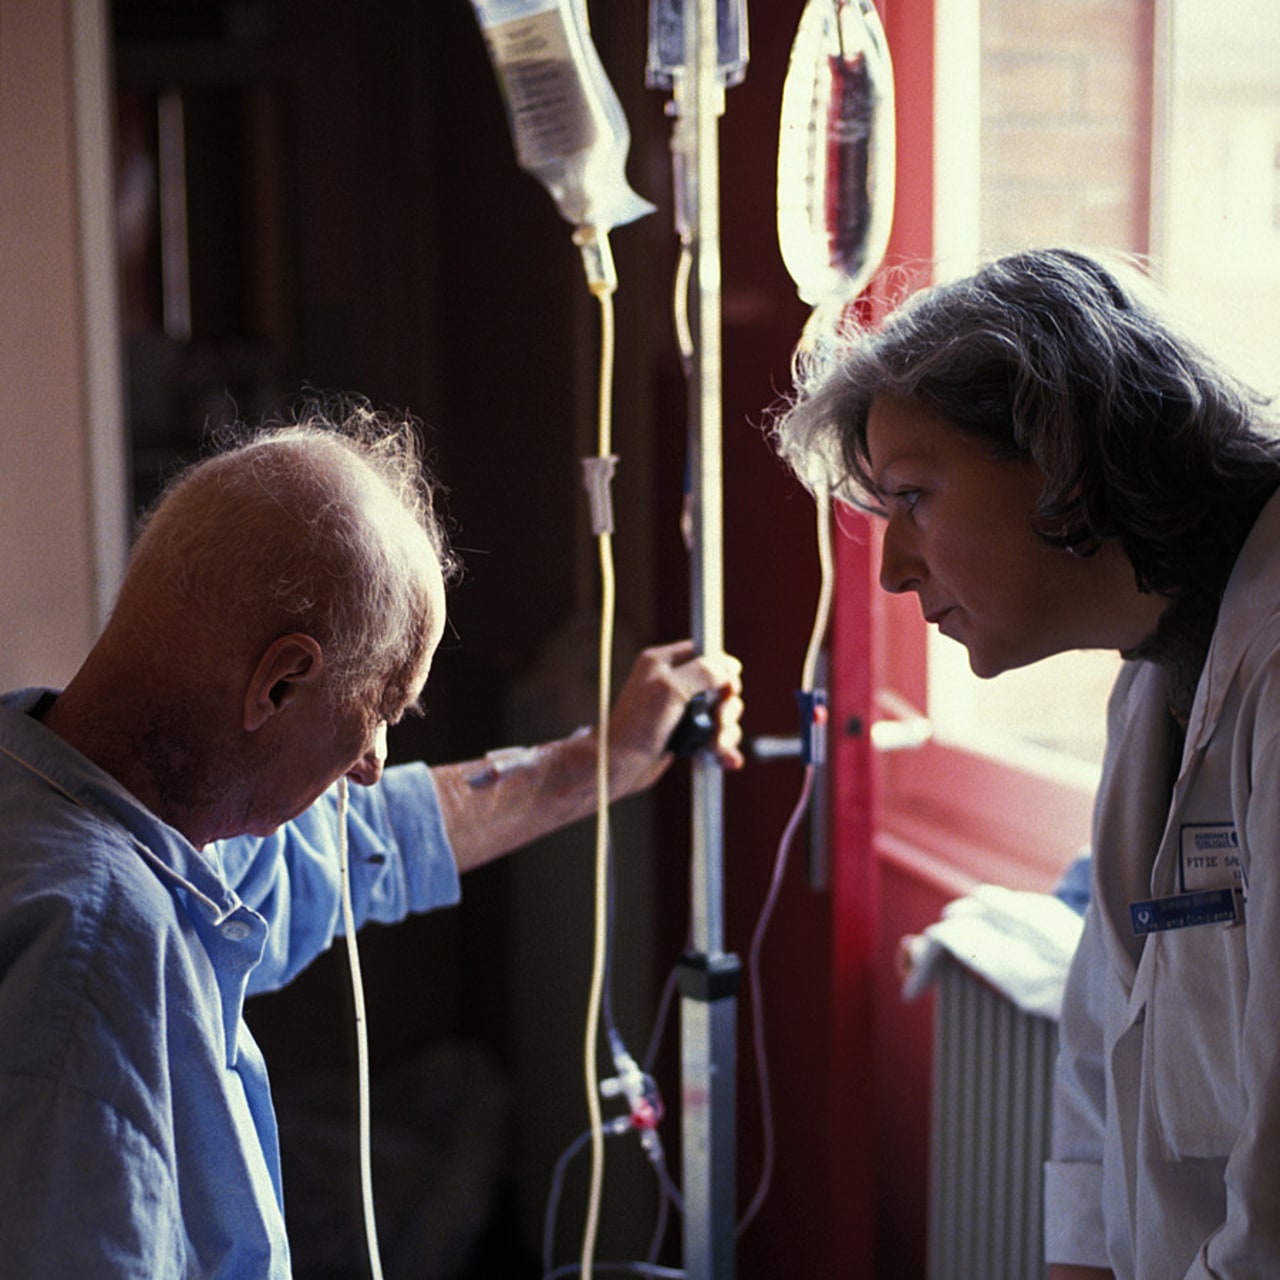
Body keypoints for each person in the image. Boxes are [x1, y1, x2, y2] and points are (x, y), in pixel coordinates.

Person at [0, 401, 744, 1276]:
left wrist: (600, 764)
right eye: (382, 711)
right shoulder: (99, 959)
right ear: (280, 683)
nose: (371, 763)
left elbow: (357, 846)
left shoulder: (89, 811)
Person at [769, 247, 1280, 1280]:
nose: (894, 572)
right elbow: (1102, 1045)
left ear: (1064, 457)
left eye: (912, 497)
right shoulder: (1152, 672)